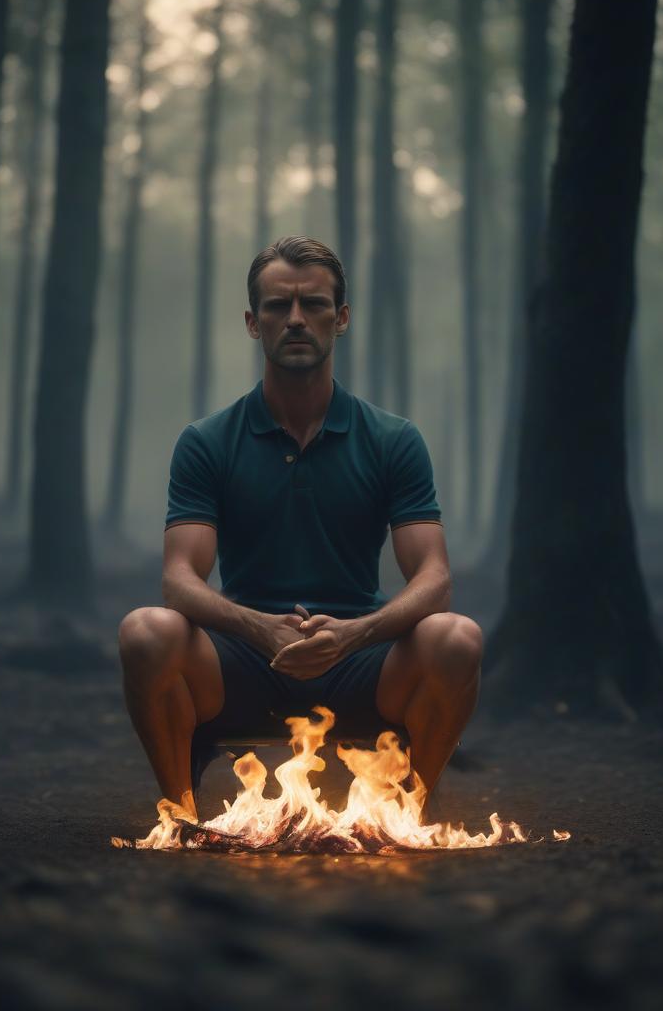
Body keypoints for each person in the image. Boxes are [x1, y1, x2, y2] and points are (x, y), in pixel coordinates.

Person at [119, 236, 482, 821]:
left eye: (313, 305)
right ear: (251, 322)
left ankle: (408, 817)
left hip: (361, 661)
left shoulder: (392, 440)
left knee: (457, 637)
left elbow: (434, 579)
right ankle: (180, 815)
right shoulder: (207, 441)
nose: (294, 320)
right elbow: (179, 579)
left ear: (341, 320)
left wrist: (353, 635)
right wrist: (260, 629)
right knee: (146, 631)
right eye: (276, 306)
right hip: (241, 661)